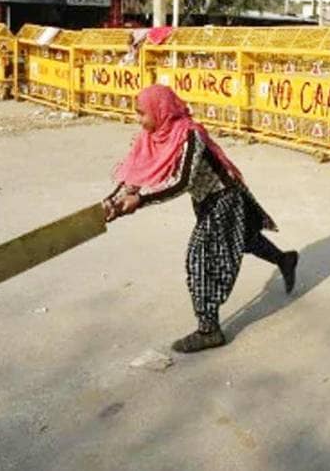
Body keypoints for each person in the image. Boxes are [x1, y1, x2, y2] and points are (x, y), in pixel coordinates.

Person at [103, 85, 298, 353]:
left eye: (142, 114)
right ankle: (284, 259)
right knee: (243, 238)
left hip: (224, 197)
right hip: (204, 199)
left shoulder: (189, 135)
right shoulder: (151, 137)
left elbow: (182, 182)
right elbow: (135, 173)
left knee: (199, 257)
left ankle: (209, 329)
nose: (139, 120)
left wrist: (141, 201)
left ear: (160, 111)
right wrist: (113, 201)